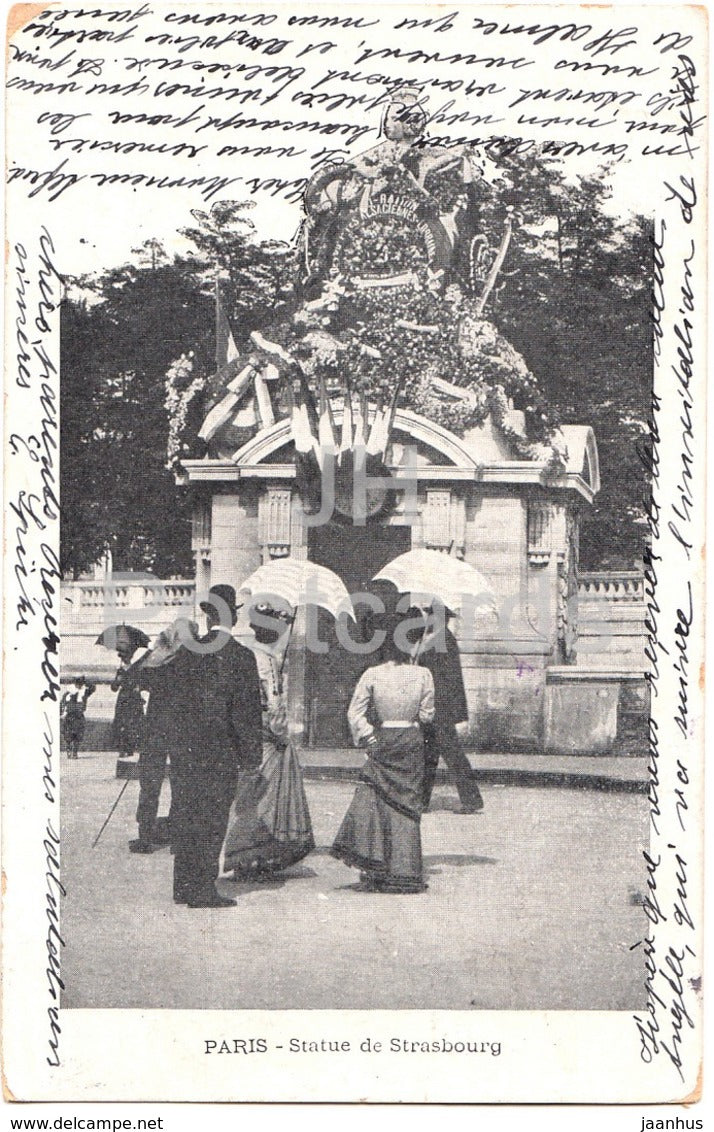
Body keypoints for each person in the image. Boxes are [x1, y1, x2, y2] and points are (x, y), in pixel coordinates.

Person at [169, 583, 263, 908]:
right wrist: (251, 756)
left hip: (185, 749)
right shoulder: (242, 657)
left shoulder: (186, 652)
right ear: (233, 618)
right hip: (220, 751)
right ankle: (202, 889)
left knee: (186, 813)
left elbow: (173, 701)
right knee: (212, 819)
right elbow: (247, 713)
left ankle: (183, 885)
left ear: (208, 617)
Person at [331, 617, 435, 894]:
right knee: (407, 804)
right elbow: (427, 715)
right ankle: (404, 869)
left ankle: (377, 865)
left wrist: (368, 735)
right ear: (411, 644)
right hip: (410, 740)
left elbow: (354, 712)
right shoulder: (423, 675)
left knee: (379, 802)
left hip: (384, 738)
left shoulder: (372, 674)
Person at [223, 602, 314, 878]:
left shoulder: (249, 654)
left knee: (248, 793)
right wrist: (282, 733)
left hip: (248, 730)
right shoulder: (266, 660)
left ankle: (246, 855)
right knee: (266, 796)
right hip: (266, 734)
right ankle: (254, 855)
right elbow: (274, 705)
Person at [131, 618, 198, 855]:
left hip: (155, 729)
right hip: (183, 730)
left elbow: (137, 679)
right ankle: (178, 837)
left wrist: (155, 650)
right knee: (182, 784)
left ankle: (145, 835)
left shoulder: (156, 659)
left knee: (149, 785)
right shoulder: (194, 660)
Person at [413, 605, 484, 814]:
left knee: (451, 753)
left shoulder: (444, 639)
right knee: (428, 754)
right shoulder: (431, 638)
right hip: (432, 705)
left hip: (440, 707)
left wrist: (455, 713)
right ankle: (421, 801)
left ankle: (471, 799)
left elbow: (451, 679)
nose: (428, 618)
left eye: (431, 615)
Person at [110, 627, 149, 758]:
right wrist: (117, 680)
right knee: (122, 723)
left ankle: (131, 747)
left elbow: (142, 683)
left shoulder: (136, 668)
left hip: (134, 699)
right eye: (123, 657)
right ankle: (123, 747)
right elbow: (114, 688)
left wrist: (139, 687)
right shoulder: (120, 671)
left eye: (127, 656)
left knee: (133, 723)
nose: (125, 659)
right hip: (123, 698)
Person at [61, 676, 96, 758]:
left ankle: (74, 752)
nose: (79, 686)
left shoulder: (84, 692)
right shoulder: (68, 693)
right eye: (78, 684)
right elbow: (62, 703)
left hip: (79, 716)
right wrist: (61, 711)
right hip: (70, 716)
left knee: (77, 735)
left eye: (81, 684)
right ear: (75, 684)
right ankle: (69, 751)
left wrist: (86, 681)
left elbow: (93, 688)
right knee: (68, 736)